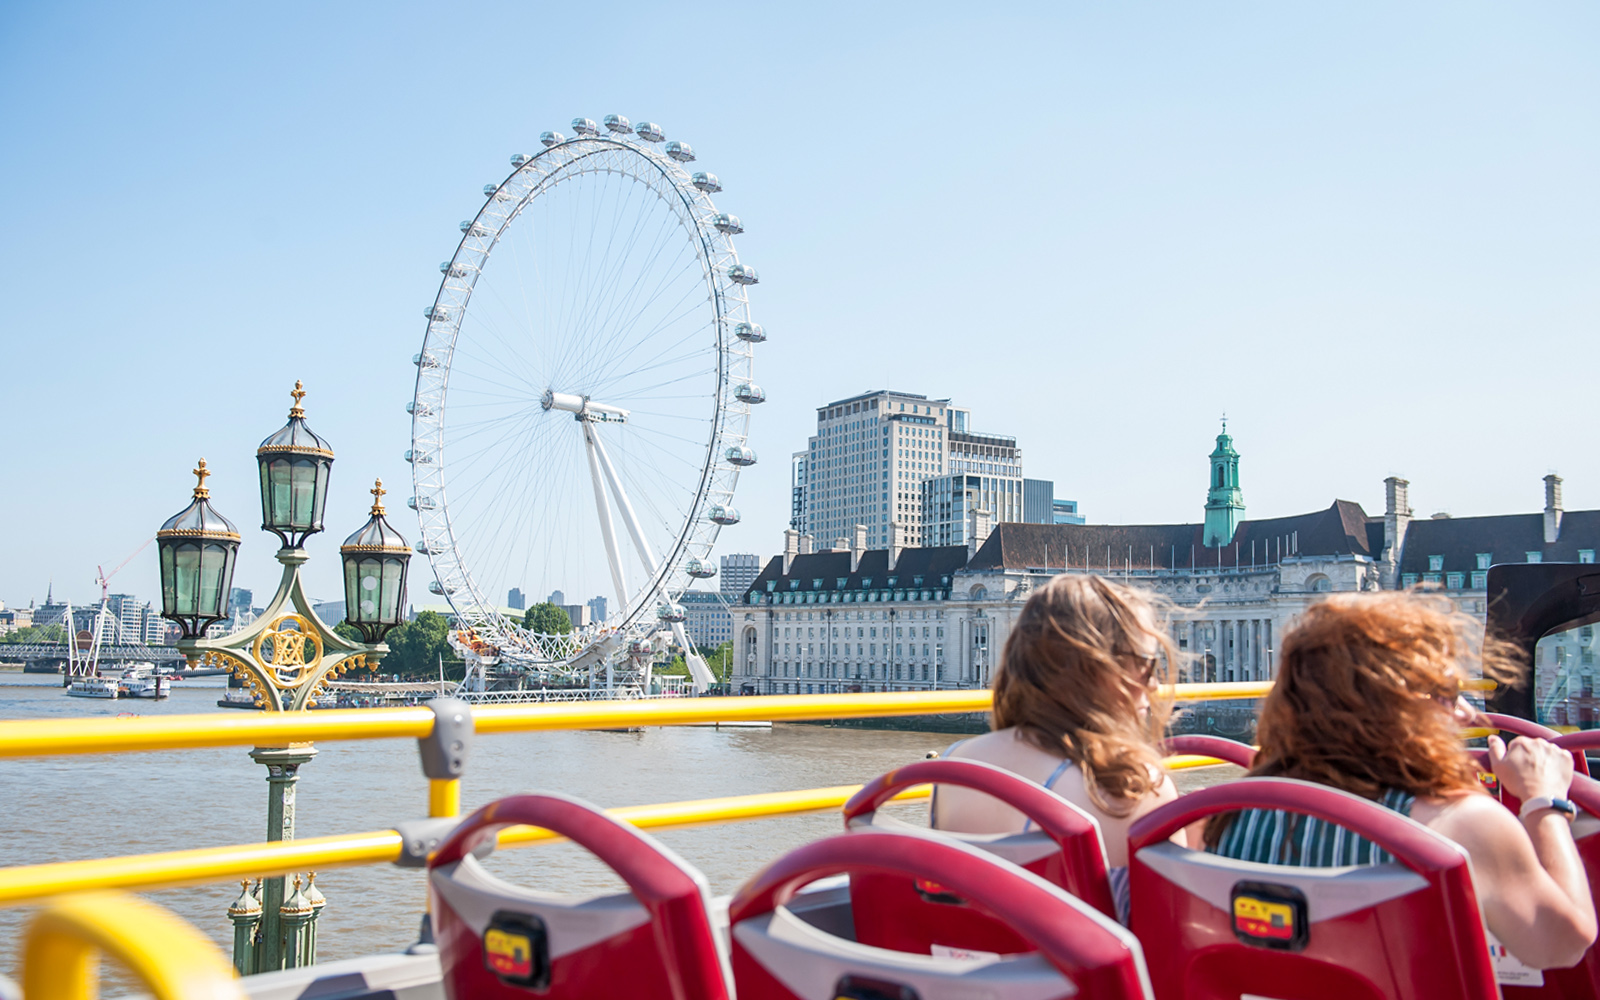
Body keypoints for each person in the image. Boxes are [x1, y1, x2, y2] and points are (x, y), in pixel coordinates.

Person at [1205, 592, 1596, 969]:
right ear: (1392, 706)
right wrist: (1543, 801)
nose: (1465, 714)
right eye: (1447, 693)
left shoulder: (1227, 817)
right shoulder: (1457, 824)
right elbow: (1562, 944)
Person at [933, 574, 1183, 923]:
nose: (1154, 683)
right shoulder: (1132, 787)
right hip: (1082, 977)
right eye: (1146, 665)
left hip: (965, 970)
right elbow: (1173, 929)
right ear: (1097, 666)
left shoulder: (955, 762)